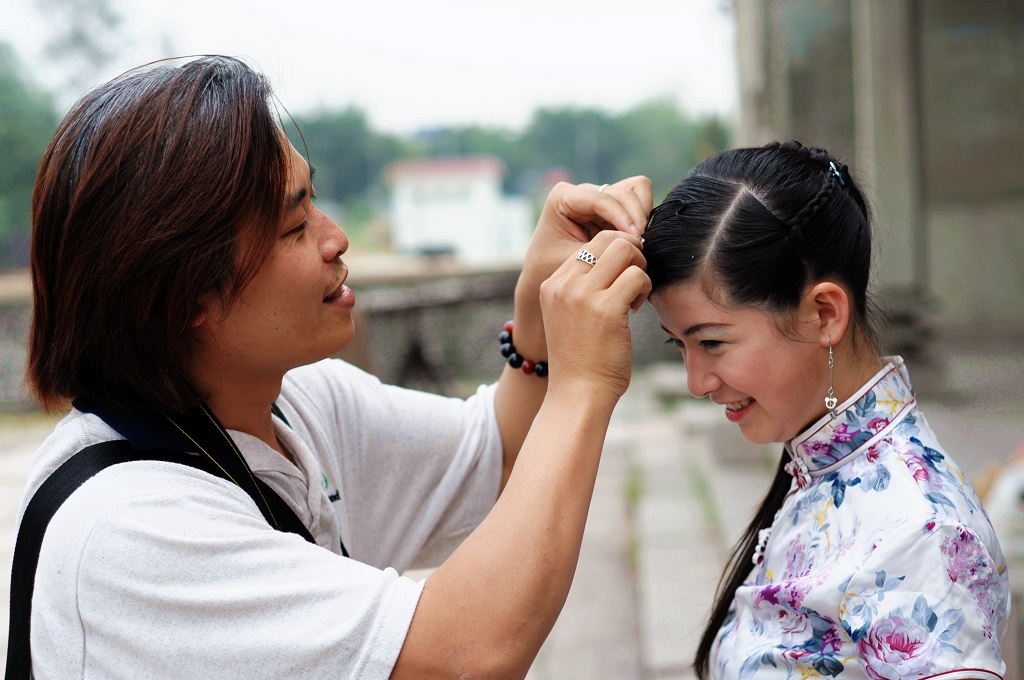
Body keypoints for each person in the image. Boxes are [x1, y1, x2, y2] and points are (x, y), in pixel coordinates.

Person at [12, 56, 652, 679]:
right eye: (295, 225)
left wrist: (536, 322)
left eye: (313, 199)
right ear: (182, 297)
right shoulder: (129, 533)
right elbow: (464, 656)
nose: (336, 237)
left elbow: (500, 458)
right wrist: (582, 385)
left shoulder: (292, 402)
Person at [642, 141, 1009, 679]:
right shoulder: (817, 467)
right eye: (680, 345)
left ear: (823, 314)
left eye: (713, 343)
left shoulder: (919, 533)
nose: (696, 382)